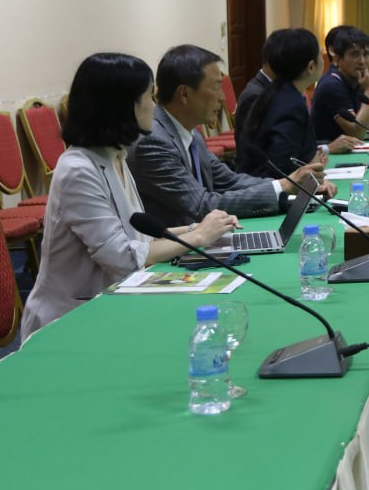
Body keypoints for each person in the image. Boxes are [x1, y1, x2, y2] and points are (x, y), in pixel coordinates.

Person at [21, 53, 236, 338]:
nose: (154, 104)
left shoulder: (116, 155)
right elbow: (121, 256)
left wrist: (201, 228)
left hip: (113, 302)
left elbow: (139, 239)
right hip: (68, 322)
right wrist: (197, 238)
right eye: (149, 96)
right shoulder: (78, 169)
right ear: (124, 106)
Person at [128, 45, 329, 228]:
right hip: (174, 255)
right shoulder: (154, 141)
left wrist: (290, 187)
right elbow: (200, 206)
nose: (223, 97)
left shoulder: (189, 133)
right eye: (216, 87)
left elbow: (229, 181)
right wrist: (284, 186)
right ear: (184, 94)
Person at [236, 28, 333, 180]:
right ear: (311, 67)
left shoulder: (280, 93)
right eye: (321, 55)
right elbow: (283, 167)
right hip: (270, 192)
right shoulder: (289, 103)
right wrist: (310, 166)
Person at [312, 28, 369, 141]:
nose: (362, 61)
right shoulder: (332, 85)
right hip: (329, 156)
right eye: (354, 54)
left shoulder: (356, 79)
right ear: (337, 58)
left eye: (365, 54)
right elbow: (357, 132)